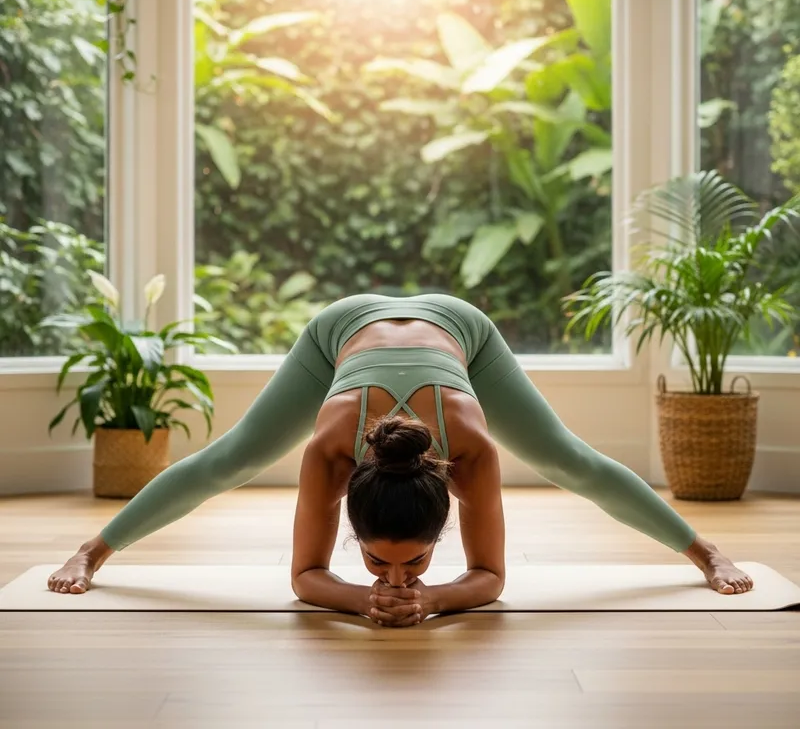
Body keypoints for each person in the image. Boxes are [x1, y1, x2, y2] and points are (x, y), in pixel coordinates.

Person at [47, 293, 753, 625]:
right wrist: (364, 600)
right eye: (380, 562)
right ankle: (92, 550)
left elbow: (492, 576)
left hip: (458, 329)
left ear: (445, 510)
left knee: (571, 460)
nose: (395, 576)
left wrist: (434, 598)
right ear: (347, 507)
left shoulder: (469, 446)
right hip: (341, 330)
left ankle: (704, 552)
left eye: (412, 564)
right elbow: (302, 576)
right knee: (228, 460)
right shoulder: (330, 447)